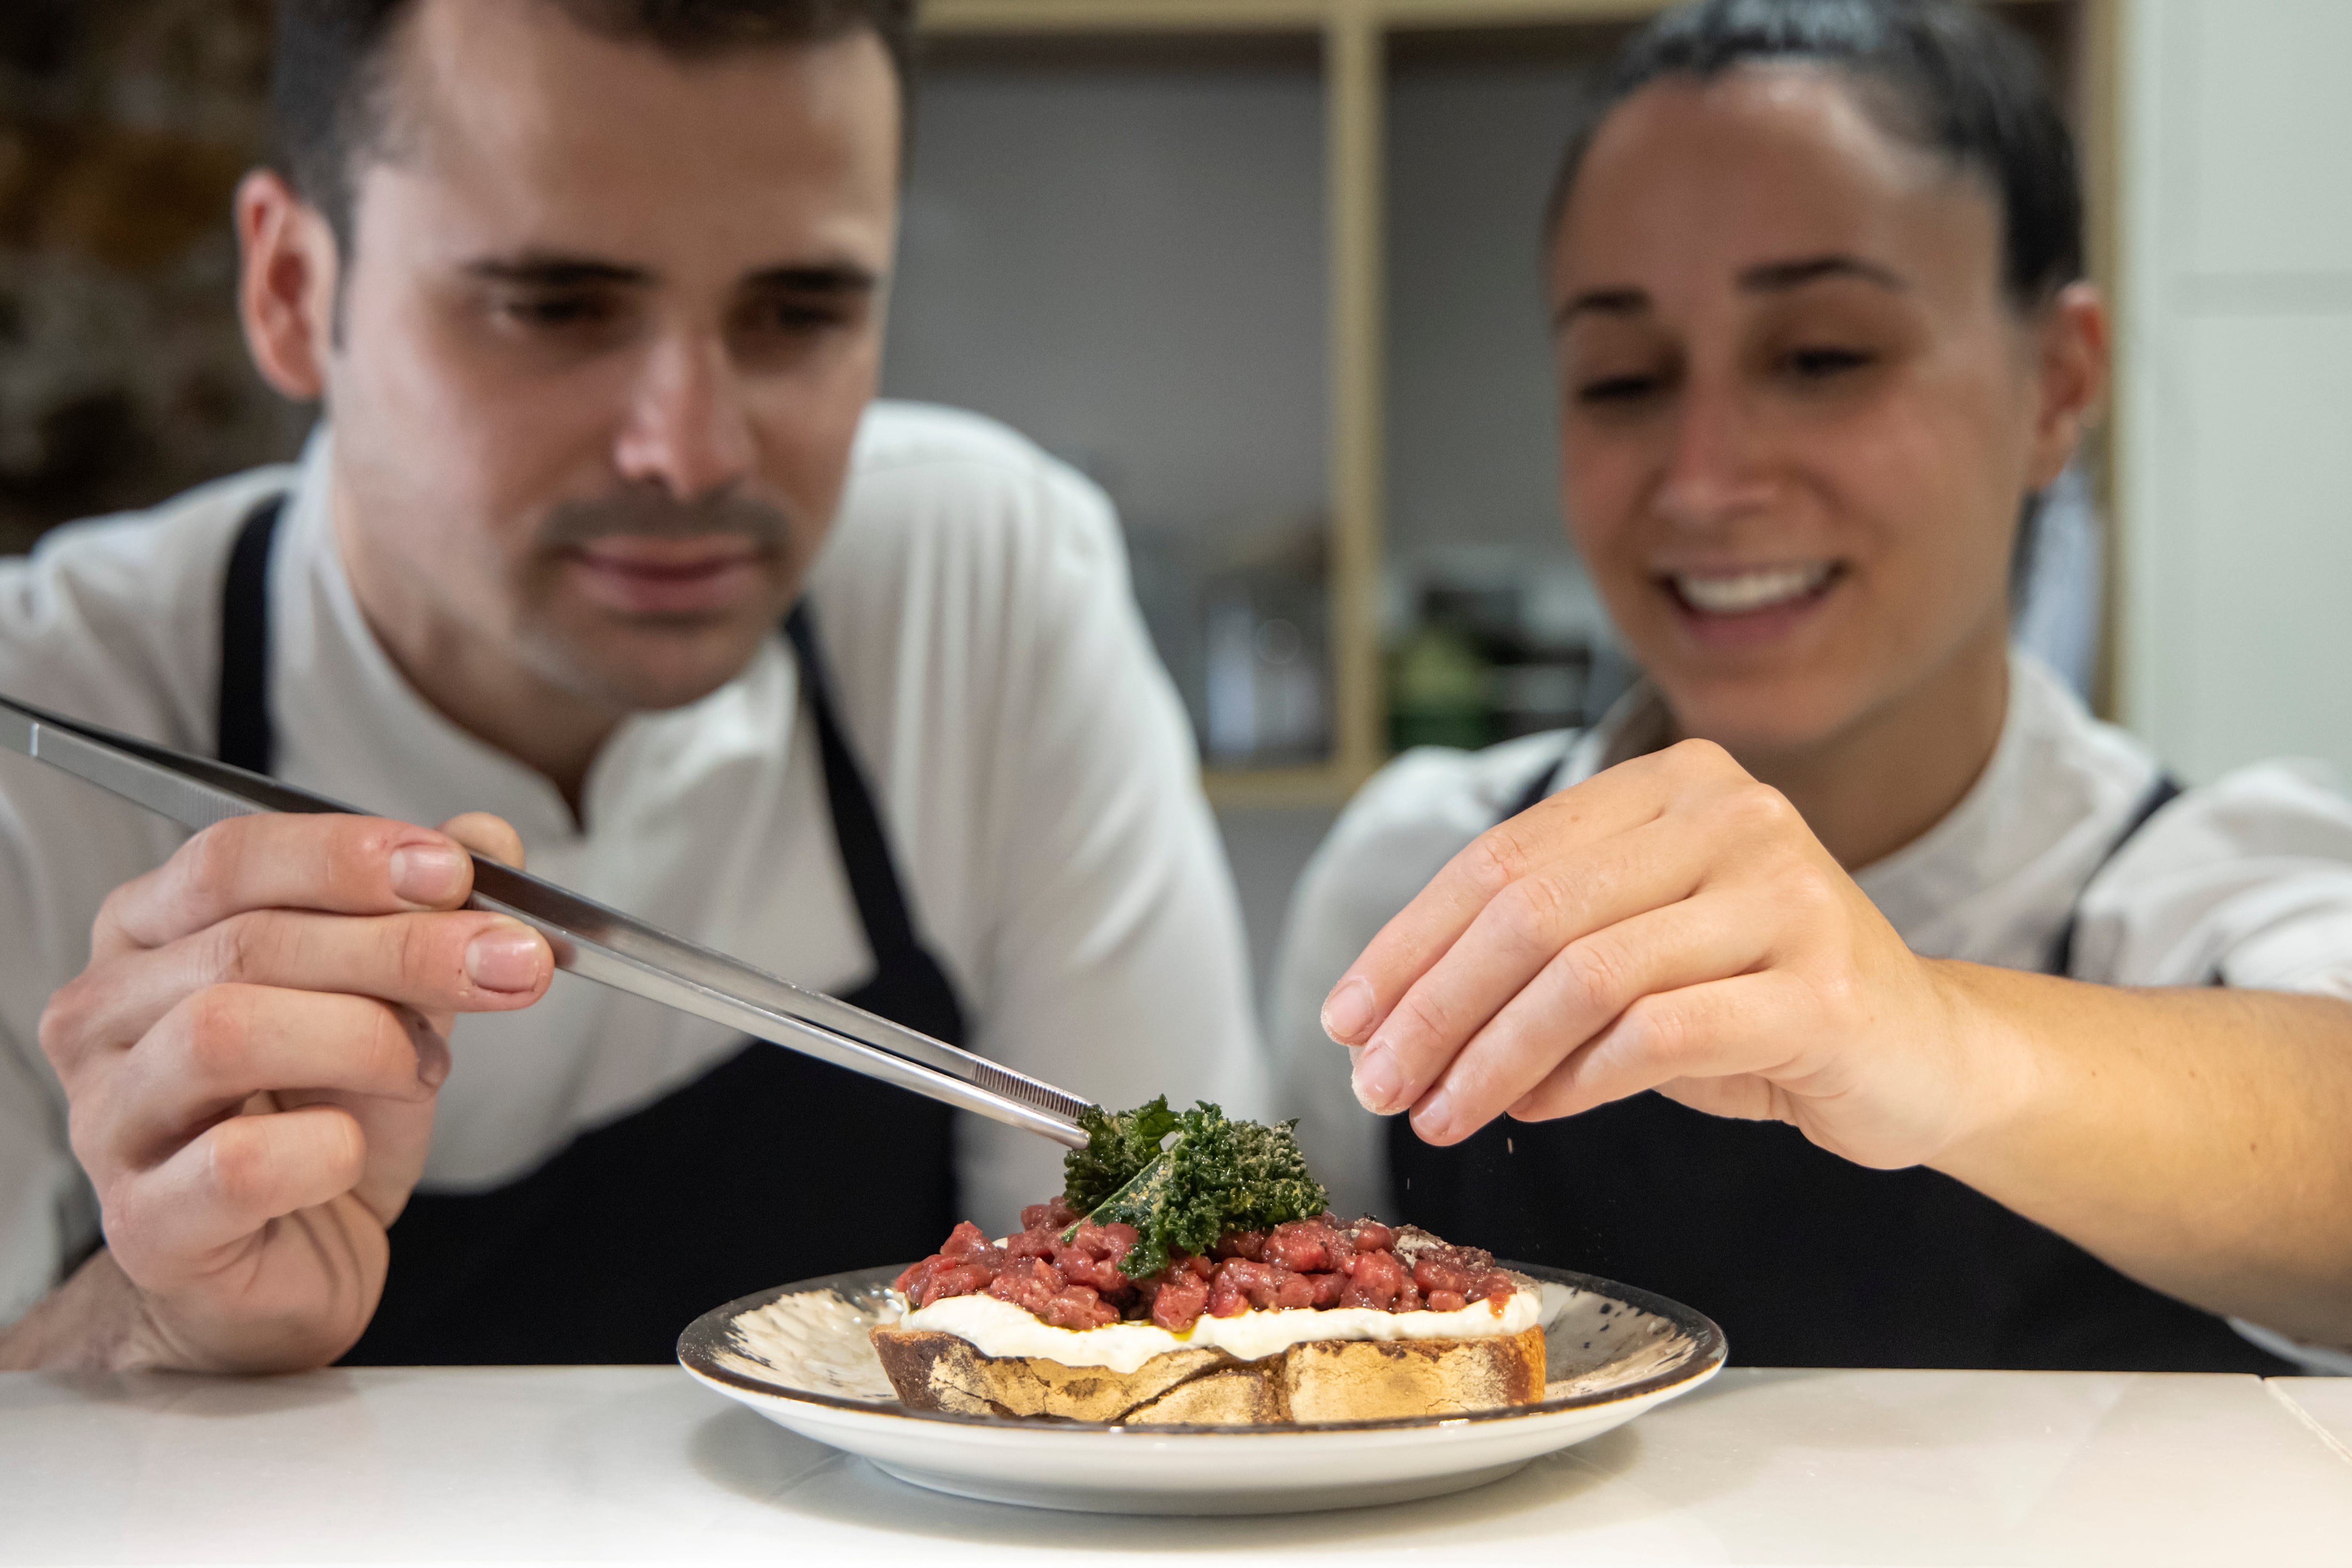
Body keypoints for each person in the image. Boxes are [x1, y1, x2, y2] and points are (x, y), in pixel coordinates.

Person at [0, 0, 1260, 1372]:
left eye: (797, 311)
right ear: (294, 290)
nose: (694, 451)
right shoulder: (47, 721)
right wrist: (147, 1324)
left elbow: (1184, 1346)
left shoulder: (982, 586)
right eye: (556, 307)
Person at [1273, 0, 2352, 1373]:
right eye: (1623, 377)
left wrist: (1930, 1030)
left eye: (1824, 358)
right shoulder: (1424, 880)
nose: (1708, 478)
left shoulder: (2196, 885)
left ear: (2057, 387)